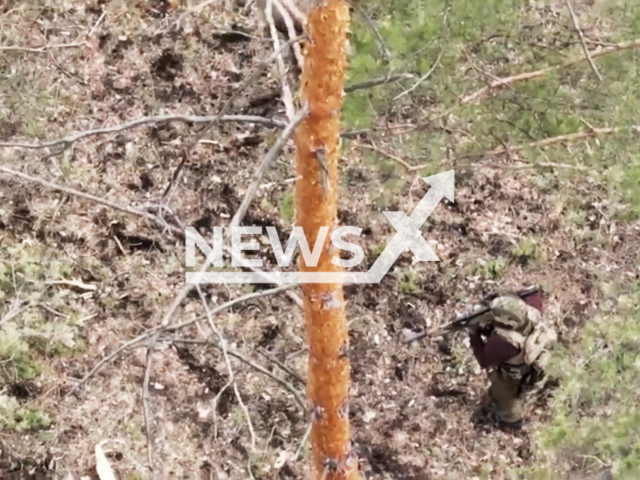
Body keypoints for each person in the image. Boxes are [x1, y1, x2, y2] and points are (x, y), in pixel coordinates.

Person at [468, 289, 557, 426]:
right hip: (538, 352)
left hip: (518, 372)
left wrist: (474, 333)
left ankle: (511, 419)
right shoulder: (531, 308)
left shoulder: (506, 343)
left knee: (502, 392)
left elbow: (484, 360)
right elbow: (530, 292)